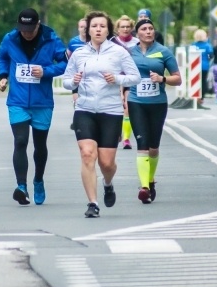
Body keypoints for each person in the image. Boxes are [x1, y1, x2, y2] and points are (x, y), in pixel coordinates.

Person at [61, 11, 141, 218]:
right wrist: (75, 82)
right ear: (88, 29)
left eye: (102, 26)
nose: (98, 29)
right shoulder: (79, 54)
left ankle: (107, 183)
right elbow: (66, 81)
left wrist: (116, 78)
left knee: (106, 163)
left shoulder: (119, 52)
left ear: (108, 30)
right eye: (94, 26)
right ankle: (92, 203)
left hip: (110, 111)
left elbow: (135, 77)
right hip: (84, 109)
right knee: (87, 154)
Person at [0, 8, 67, 206]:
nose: (25, 33)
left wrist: (45, 71)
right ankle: (21, 187)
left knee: (39, 145)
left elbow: (65, 63)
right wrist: (3, 76)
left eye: (30, 29)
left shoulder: (51, 39)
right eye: (22, 29)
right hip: (17, 100)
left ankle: (38, 180)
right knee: (20, 141)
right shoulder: (10, 39)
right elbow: (2, 57)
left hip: (42, 102)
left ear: (38, 25)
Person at [127, 18, 182, 203]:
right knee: (141, 144)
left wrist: (162, 79)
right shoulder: (130, 52)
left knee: (153, 146)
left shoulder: (163, 51)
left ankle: (150, 181)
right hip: (136, 102)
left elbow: (178, 79)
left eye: (151, 28)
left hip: (157, 103)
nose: (148, 31)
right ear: (137, 34)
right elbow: (122, 76)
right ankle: (143, 187)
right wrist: (122, 95)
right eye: (144, 29)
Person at [115, 15, 139, 150]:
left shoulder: (137, 42)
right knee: (116, 107)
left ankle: (126, 139)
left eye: (128, 27)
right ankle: (116, 131)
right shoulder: (112, 42)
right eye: (122, 27)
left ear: (131, 28)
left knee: (127, 109)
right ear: (117, 29)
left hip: (131, 79)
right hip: (116, 79)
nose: (125, 29)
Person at [66, 18, 88, 106]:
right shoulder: (73, 42)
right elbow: (68, 56)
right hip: (77, 75)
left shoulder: (93, 41)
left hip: (89, 74)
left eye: (86, 27)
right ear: (78, 28)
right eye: (81, 27)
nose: (84, 29)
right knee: (77, 102)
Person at [191, 29, 212, 106]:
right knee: (203, 82)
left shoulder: (193, 45)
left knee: (195, 81)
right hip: (204, 66)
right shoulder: (207, 45)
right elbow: (211, 55)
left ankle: (196, 96)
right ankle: (202, 97)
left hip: (194, 66)